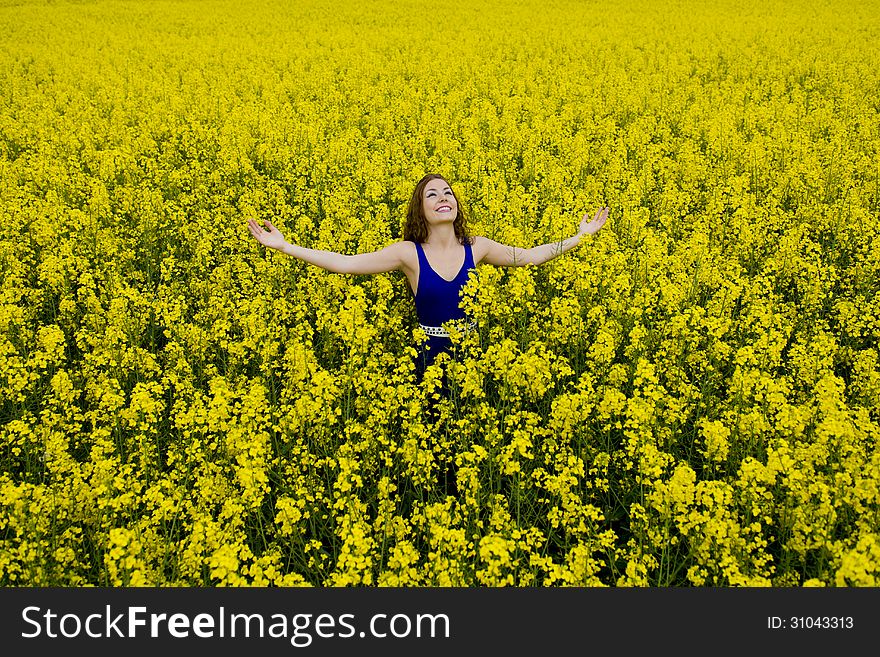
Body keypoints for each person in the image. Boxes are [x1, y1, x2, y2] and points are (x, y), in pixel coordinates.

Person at [247, 173, 609, 385]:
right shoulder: (408, 254)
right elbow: (344, 264)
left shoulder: (477, 247)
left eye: (447, 192)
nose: (442, 198)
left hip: (474, 356)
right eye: (431, 195)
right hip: (429, 360)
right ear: (420, 209)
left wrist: (581, 237)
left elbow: (530, 257)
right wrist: (284, 246)